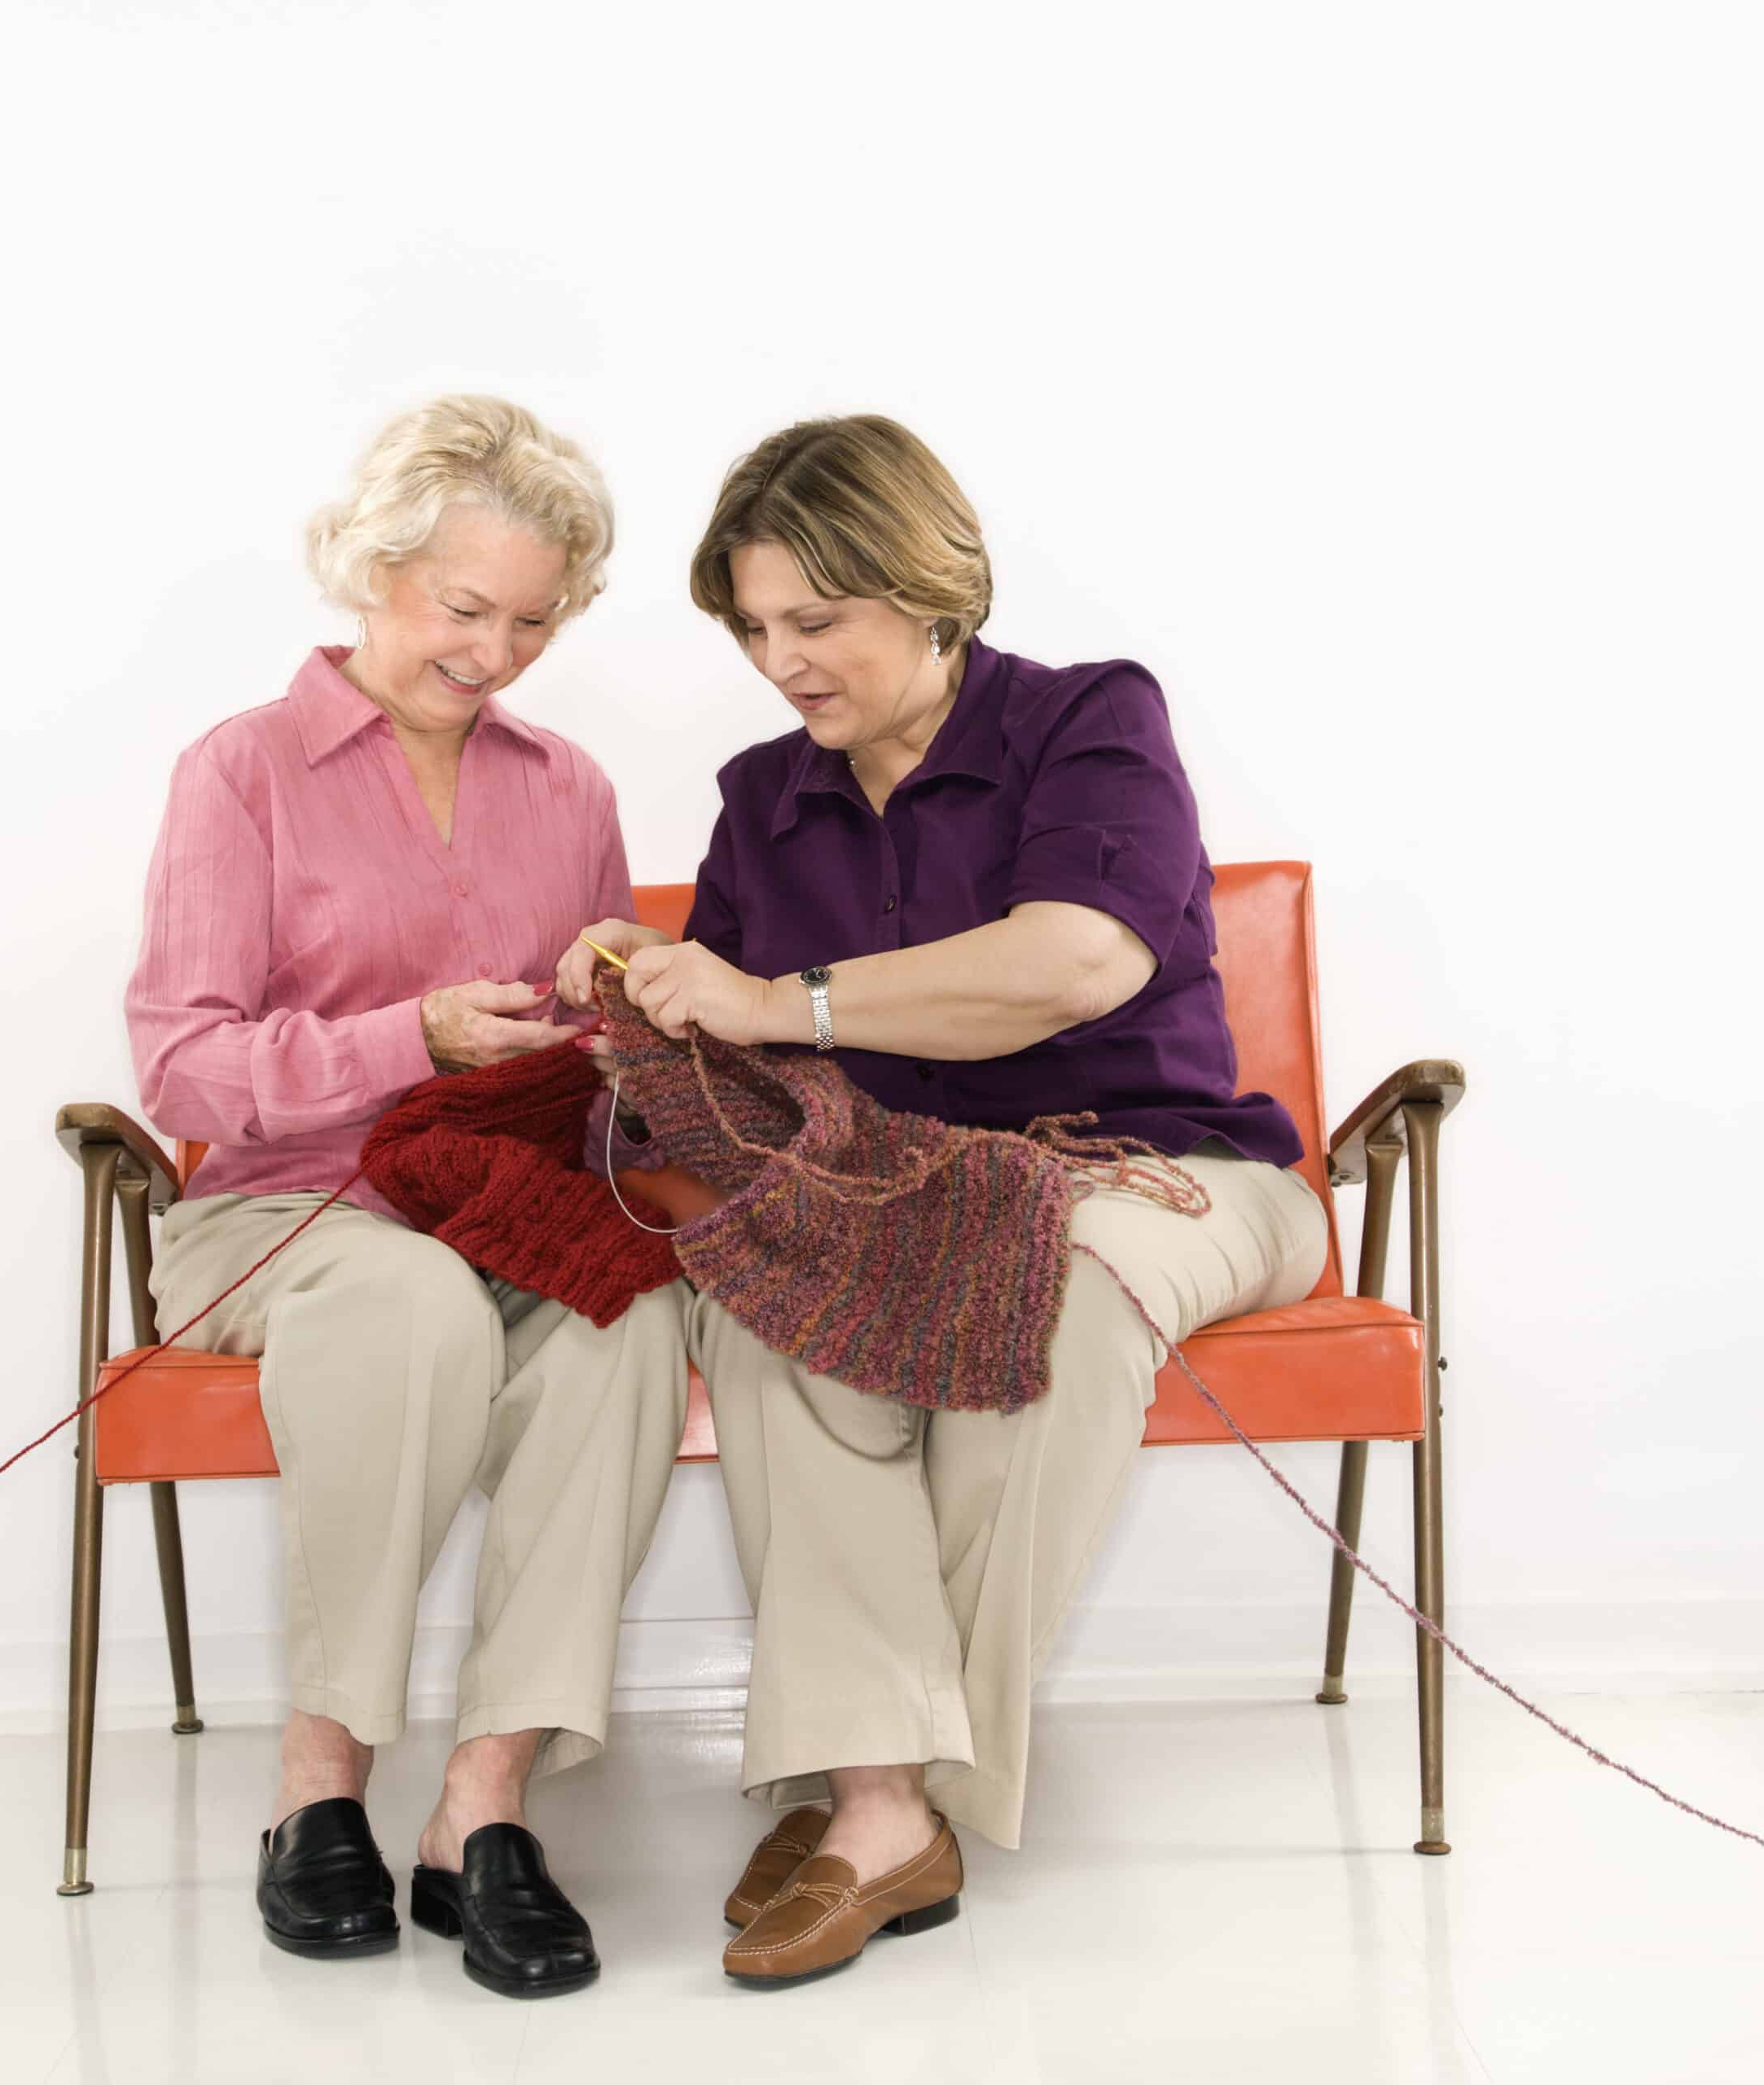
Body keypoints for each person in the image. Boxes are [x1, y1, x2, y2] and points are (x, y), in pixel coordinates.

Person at [559, 413, 1328, 1988]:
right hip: (899, 1191)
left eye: (817, 621)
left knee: (1051, 1278)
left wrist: (784, 999)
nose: (784, 662)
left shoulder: (1088, 722)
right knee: (776, 1312)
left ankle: (876, 1792)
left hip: (1162, 1174)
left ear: (931, 590)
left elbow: (1074, 964)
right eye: (758, 628)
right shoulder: (764, 793)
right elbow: (732, 1053)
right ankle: (881, 1798)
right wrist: (636, 976)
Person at [127, 395, 688, 1999]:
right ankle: (321, 1778)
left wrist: (610, 1000)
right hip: (289, 1212)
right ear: (371, 569)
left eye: (529, 619)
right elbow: (183, 1070)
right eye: (462, 607)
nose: (494, 649)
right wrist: (406, 1033)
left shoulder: (565, 785)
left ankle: (480, 1808)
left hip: (502, 1195)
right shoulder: (240, 771)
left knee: (621, 1328)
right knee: (409, 1299)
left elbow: (587, 1049)